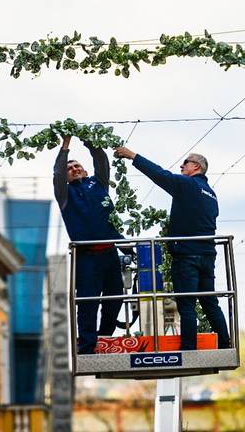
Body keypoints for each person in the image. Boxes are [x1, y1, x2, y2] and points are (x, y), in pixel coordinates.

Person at [113, 147, 231, 351]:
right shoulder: (211, 194)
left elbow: (160, 175)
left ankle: (188, 349)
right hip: (207, 256)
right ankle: (225, 343)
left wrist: (133, 156)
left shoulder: (188, 184)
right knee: (210, 302)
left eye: (185, 163)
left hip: (187, 256)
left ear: (196, 166)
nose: (181, 166)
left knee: (186, 304)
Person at [54, 135, 125, 354]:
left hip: (110, 253)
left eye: (77, 166)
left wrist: (89, 141)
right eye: (70, 168)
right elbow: (57, 175)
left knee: (115, 298)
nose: (74, 169)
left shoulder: (98, 184)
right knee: (87, 303)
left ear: (85, 171)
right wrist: (65, 145)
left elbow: (102, 162)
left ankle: (104, 337)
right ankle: (86, 347)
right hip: (86, 257)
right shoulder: (65, 194)